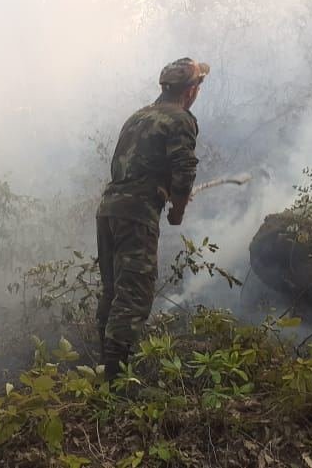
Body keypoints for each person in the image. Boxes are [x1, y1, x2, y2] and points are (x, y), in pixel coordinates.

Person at [96, 58, 207, 382]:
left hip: (109, 211)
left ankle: (105, 366)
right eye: (198, 86)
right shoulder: (180, 119)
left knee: (112, 291)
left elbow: (128, 166)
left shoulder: (137, 117)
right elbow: (184, 171)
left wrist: (163, 190)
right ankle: (116, 383)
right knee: (133, 297)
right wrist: (177, 209)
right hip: (135, 216)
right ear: (190, 91)